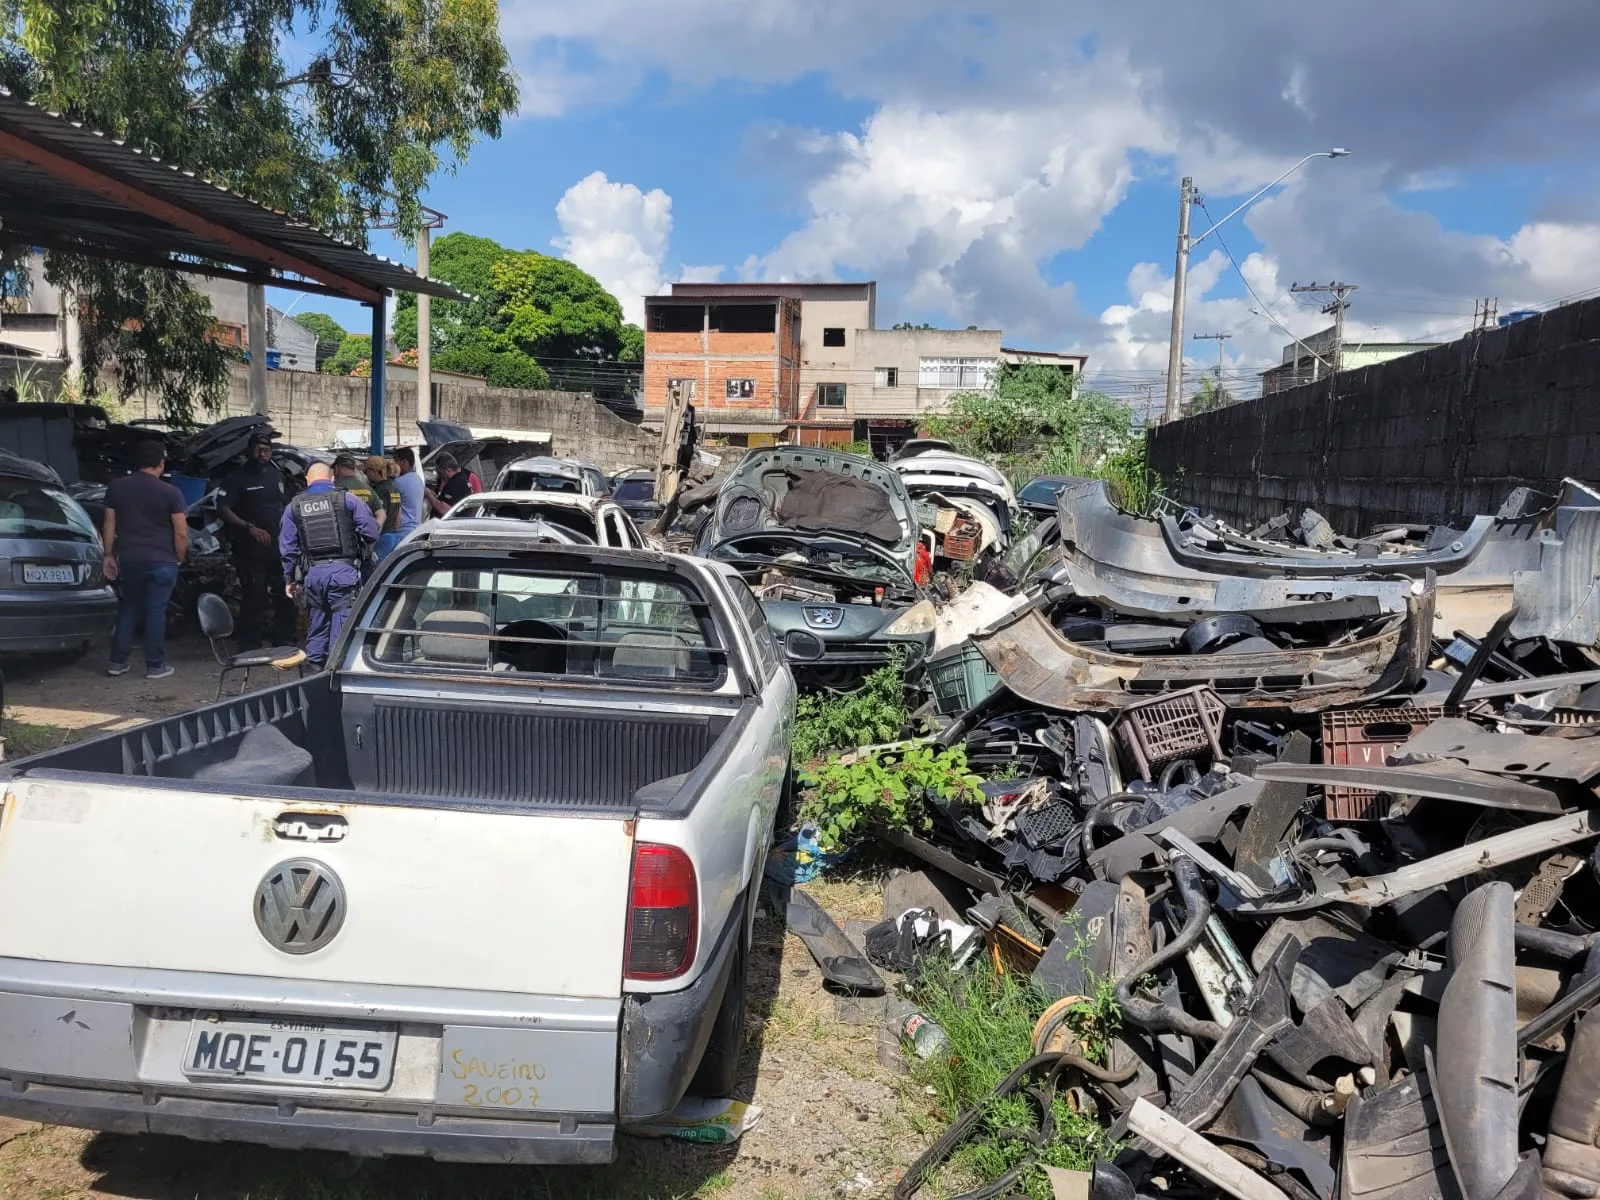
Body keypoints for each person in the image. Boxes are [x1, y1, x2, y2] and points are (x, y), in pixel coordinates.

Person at [102, 440, 188, 679]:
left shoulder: (117, 488)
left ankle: (117, 662)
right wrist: (179, 557)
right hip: (163, 560)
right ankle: (155, 665)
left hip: (130, 559)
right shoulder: (171, 492)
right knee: (155, 610)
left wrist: (108, 555)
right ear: (161, 463)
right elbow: (181, 532)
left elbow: (109, 524)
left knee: (128, 608)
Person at [280, 462, 379, 669]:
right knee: (341, 634)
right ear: (332, 478)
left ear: (307, 480)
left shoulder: (294, 506)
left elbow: (287, 548)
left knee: (317, 628)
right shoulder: (348, 500)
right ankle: (334, 681)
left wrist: (289, 579)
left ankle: (315, 673)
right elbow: (371, 532)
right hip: (343, 574)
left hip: (313, 575)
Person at [218, 433, 295, 647]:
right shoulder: (236, 478)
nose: (263, 454)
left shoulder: (276, 475)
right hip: (249, 547)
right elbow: (224, 509)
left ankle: (284, 638)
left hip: (278, 545)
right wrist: (248, 527)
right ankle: (250, 642)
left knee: (284, 591)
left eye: (266, 450)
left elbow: (285, 504)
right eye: (258, 450)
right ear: (249, 451)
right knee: (254, 594)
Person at [367, 455, 405, 561]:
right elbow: (398, 517)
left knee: (376, 571)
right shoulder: (394, 488)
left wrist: (372, 542)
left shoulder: (380, 490)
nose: (366, 475)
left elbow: (381, 515)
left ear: (373, 471)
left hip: (383, 538)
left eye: (367, 471)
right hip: (396, 536)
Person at [333, 454, 384, 526]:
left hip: (343, 534)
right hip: (364, 534)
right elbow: (381, 514)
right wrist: (373, 530)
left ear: (337, 468)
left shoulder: (333, 488)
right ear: (354, 469)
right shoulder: (368, 489)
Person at [425, 452, 472, 517]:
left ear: (447, 470)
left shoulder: (456, 482)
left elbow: (444, 509)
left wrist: (428, 494)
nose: (439, 475)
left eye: (440, 472)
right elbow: (446, 500)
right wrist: (433, 495)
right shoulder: (461, 477)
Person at [392, 446, 424, 534]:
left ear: (404, 461)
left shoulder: (398, 482)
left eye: (395, 461)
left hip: (403, 531)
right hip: (417, 529)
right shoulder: (418, 479)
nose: (393, 465)